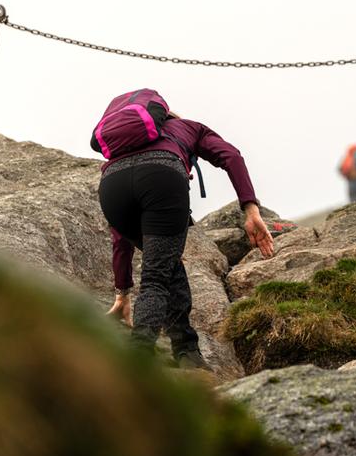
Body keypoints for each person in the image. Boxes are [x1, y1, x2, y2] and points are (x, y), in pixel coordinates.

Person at [94, 89, 274, 369]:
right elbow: (232, 156)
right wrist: (250, 208)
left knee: (166, 265)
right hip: (161, 178)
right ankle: (137, 358)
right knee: (156, 276)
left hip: (111, 187)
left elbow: (121, 238)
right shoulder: (189, 127)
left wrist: (123, 292)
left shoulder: (119, 151)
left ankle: (186, 350)